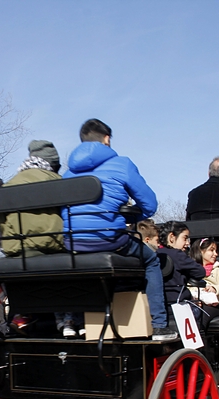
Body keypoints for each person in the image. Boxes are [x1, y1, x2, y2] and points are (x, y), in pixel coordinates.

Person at [61, 119, 171, 341]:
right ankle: (159, 325)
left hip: (73, 243)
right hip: (109, 239)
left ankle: (76, 322)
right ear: (107, 139)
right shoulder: (121, 164)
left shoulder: (68, 173)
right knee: (151, 261)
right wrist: (130, 218)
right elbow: (150, 204)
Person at [0, 140, 65, 256]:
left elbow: (3, 223)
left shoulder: (8, 186)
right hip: (53, 248)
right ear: (54, 165)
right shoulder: (59, 182)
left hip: (18, 250)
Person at [157, 222, 207, 331]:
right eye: (185, 238)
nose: (187, 243)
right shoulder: (178, 255)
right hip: (179, 306)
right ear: (172, 237)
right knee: (206, 311)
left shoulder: (154, 254)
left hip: (161, 306)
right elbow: (200, 272)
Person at [188, 237, 219, 328]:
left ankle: (200, 335)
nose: (216, 254)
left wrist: (215, 289)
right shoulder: (189, 270)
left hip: (215, 304)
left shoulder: (218, 270)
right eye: (211, 250)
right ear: (200, 251)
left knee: (201, 315)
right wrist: (195, 299)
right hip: (194, 302)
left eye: (216, 251)